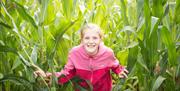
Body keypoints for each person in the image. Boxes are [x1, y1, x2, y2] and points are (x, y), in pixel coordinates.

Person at [34, 23, 128, 91]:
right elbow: (67, 74)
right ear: (82, 40)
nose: (91, 41)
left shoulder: (107, 53)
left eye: (95, 38)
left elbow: (115, 66)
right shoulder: (75, 53)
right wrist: (47, 76)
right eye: (87, 38)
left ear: (100, 40)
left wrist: (120, 71)